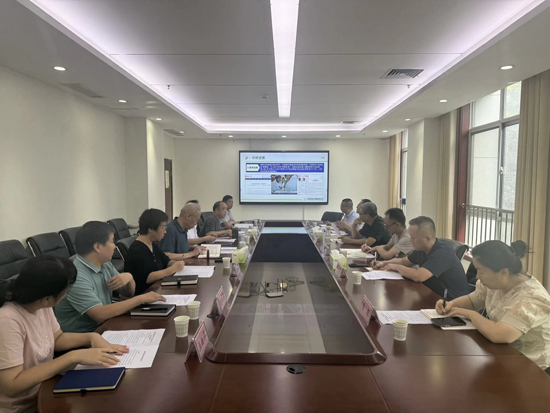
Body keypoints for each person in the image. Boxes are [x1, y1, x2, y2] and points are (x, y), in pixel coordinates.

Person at [0, 257, 129, 413]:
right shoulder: (7, 320)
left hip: (48, 388)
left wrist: (91, 337)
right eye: (65, 291)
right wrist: (72, 356)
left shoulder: (40, 303)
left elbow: (57, 338)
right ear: (47, 299)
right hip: (24, 407)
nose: (67, 294)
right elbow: (11, 385)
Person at [436, 240, 550, 375]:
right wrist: (451, 304)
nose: (477, 277)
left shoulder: (530, 298)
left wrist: (471, 314)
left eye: (481, 271)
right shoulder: (496, 282)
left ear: (503, 272)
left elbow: (499, 334)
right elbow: (473, 300)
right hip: (502, 355)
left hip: (533, 369)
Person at [55, 222, 165, 333]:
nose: (115, 246)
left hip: (106, 325)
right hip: (85, 335)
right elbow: (100, 314)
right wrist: (141, 299)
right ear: (98, 247)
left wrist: (129, 278)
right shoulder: (76, 276)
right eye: (112, 242)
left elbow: (128, 293)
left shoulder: (104, 263)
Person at [375, 216, 470, 300]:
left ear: (427, 239)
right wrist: (384, 263)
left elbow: (418, 276)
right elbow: (403, 261)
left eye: (413, 238)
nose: (411, 240)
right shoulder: (422, 249)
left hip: (452, 304)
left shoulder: (442, 252)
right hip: (432, 296)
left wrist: (396, 267)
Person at [124, 209, 187, 295]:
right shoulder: (137, 250)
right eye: (163, 228)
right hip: (144, 294)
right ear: (150, 229)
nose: (165, 231)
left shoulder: (152, 244)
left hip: (157, 289)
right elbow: (148, 278)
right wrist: (173, 269)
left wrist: (175, 264)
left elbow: (166, 261)